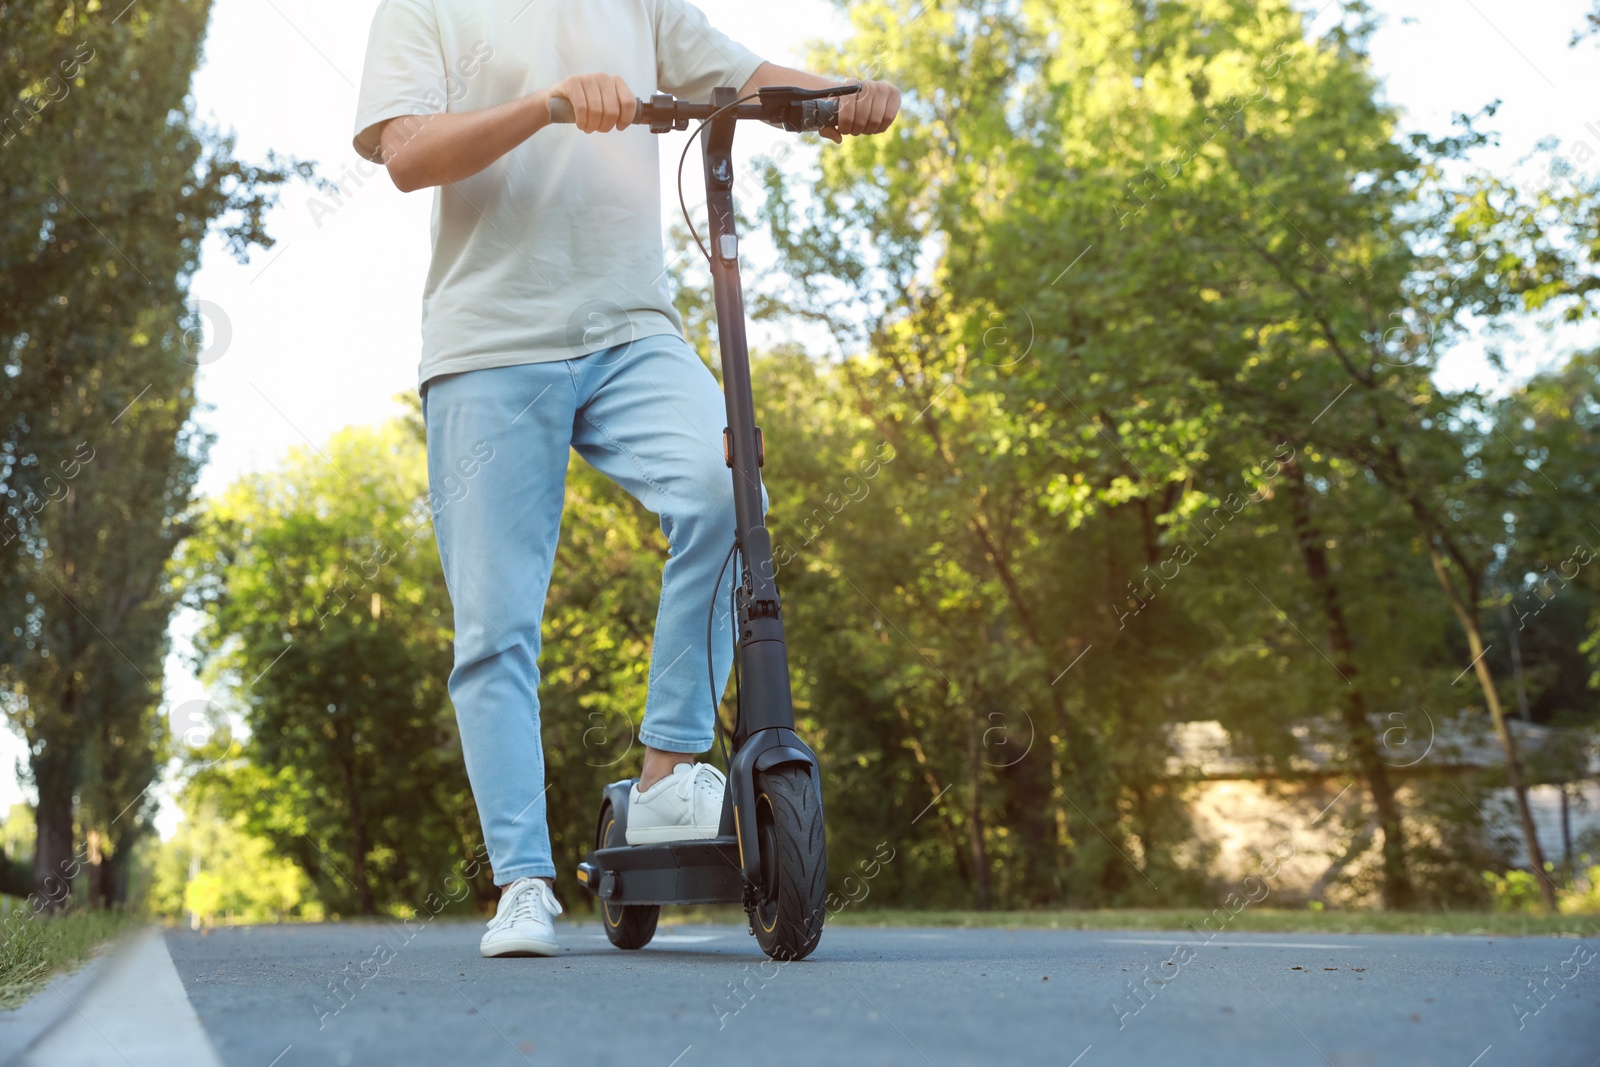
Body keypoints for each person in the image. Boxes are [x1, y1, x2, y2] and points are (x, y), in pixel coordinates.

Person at [352, 0, 899, 958]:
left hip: (630, 328)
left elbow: (742, 75)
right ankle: (522, 883)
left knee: (728, 495)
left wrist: (845, 95)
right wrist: (550, 105)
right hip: (489, 347)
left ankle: (662, 774)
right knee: (495, 625)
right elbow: (405, 154)